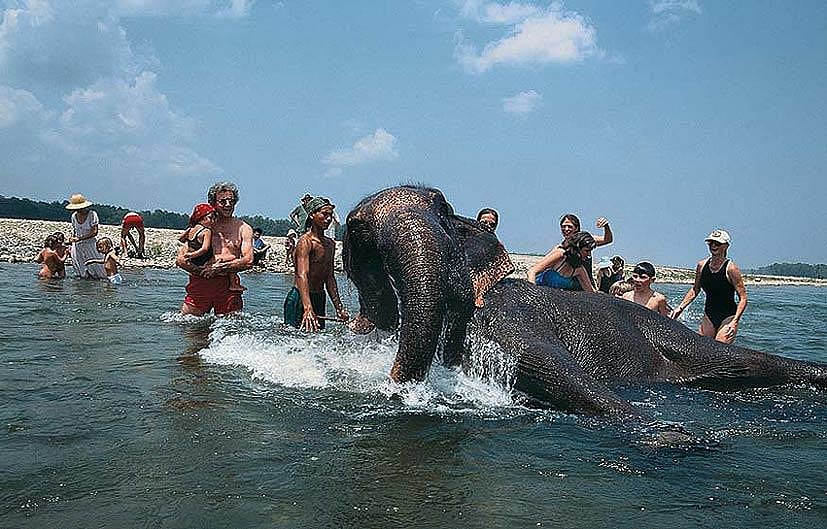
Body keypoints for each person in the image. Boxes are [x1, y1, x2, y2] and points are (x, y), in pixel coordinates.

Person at [176, 182, 253, 316]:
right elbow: (180, 260)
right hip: (200, 282)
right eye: (223, 201)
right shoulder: (202, 226)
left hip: (227, 285)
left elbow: (248, 260)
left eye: (232, 201)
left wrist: (219, 269)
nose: (228, 205)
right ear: (213, 203)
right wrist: (201, 272)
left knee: (230, 330)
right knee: (189, 327)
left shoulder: (243, 228)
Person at [670, 230, 748, 344]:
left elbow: (743, 298)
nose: (713, 246)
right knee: (701, 348)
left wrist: (735, 321)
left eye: (717, 243)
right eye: (711, 243)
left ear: (726, 246)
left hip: (728, 316)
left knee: (719, 351)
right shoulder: (701, 265)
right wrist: (680, 308)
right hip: (709, 315)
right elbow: (695, 289)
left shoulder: (731, 269)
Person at [284, 196, 349, 331]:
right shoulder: (305, 242)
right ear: (312, 214)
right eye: (324, 214)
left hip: (319, 297)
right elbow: (302, 275)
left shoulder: (330, 244)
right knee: (292, 338)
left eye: (330, 215)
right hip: (300, 298)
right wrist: (307, 308)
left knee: (317, 340)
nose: (329, 219)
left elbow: (330, 278)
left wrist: (339, 307)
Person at [527, 231, 596, 292]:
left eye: (590, 251)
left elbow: (590, 291)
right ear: (577, 248)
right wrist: (533, 293)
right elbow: (532, 271)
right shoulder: (560, 254)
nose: (589, 254)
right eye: (587, 251)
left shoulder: (579, 269)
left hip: (550, 298)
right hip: (536, 290)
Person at [558, 213, 613, 287]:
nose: (566, 229)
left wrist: (606, 226)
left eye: (570, 227)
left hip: (587, 285)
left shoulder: (585, 241)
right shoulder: (561, 247)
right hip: (570, 285)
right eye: (563, 226)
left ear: (576, 228)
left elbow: (607, 240)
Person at [65, 193, 107, 279]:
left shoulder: (92, 214)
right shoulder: (74, 216)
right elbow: (75, 231)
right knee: (79, 266)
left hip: (90, 244)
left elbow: (95, 232)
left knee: (98, 268)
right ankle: (84, 284)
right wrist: (71, 238)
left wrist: (80, 238)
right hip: (77, 245)